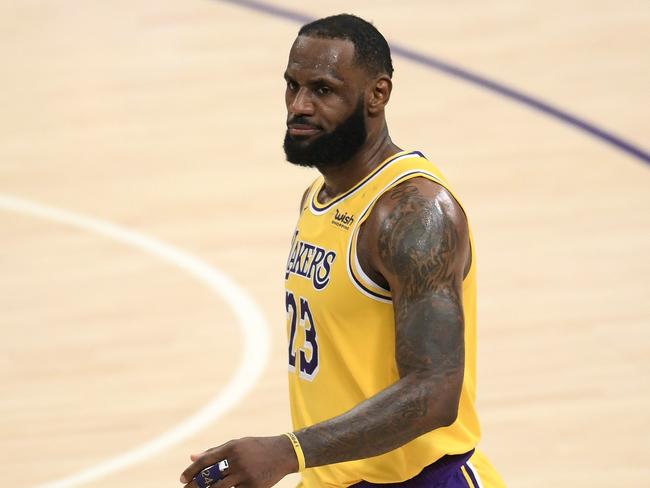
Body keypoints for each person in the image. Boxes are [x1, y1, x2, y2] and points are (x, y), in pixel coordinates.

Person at [180, 14, 505, 488]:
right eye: (292, 86)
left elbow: (435, 392)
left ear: (378, 94)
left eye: (323, 90)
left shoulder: (412, 214)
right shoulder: (319, 197)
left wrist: (287, 452)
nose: (299, 105)